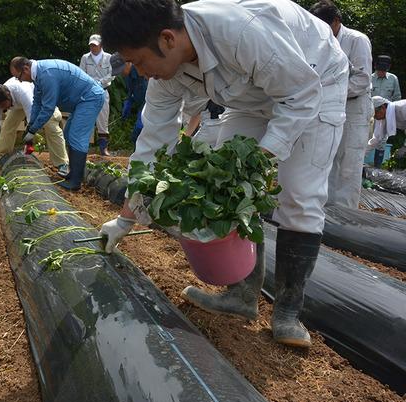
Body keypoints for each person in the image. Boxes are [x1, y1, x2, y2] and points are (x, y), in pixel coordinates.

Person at [99, 0, 349, 348]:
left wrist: (262, 157)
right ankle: (243, 296)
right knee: (225, 175)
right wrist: (125, 219)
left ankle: (288, 312)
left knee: (299, 195)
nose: (140, 73)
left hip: (314, 82)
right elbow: (153, 144)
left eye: (139, 61)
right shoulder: (165, 74)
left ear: (168, 39)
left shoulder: (240, 33)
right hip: (251, 97)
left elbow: (301, 94)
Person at [310, 0, 373, 209]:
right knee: (328, 158)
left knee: (349, 162)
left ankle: (346, 216)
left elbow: (362, 80)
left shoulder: (357, 40)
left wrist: (330, 91)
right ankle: (326, 211)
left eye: (325, 25)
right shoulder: (322, 40)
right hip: (330, 105)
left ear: (336, 21)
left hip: (354, 107)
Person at [9, 57, 105, 191]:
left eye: (19, 77)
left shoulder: (47, 74)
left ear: (25, 69)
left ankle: (76, 182)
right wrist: (30, 127)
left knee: (76, 137)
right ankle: (73, 174)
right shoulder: (39, 76)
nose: (20, 80)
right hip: (82, 101)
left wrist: (33, 131)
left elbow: (48, 108)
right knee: (68, 134)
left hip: (90, 98)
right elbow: (37, 103)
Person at [0, 79, 69, 176]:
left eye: (4, 105)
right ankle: (3, 157)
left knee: (51, 125)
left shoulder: (22, 92)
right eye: (0, 107)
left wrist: (29, 141)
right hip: (18, 104)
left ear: (8, 96)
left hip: (39, 100)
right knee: (7, 126)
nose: (3, 109)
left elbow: (32, 119)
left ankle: (62, 163)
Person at [79, 34, 114, 156]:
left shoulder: (109, 57)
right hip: (89, 92)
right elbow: (81, 73)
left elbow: (112, 74)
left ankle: (103, 148)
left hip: (103, 91)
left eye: (95, 45)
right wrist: (91, 83)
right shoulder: (85, 58)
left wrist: (100, 82)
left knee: (103, 120)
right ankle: (84, 148)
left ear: (101, 45)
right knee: (87, 118)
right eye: (91, 45)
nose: (93, 48)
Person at [371, 55, 401, 167]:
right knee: (366, 139)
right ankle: (361, 168)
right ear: (375, 67)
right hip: (370, 115)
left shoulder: (393, 79)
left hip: (385, 115)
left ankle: (376, 168)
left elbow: (397, 97)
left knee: (382, 142)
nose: (381, 73)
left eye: (384, 70)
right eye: (380, 70)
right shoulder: (369, 78)